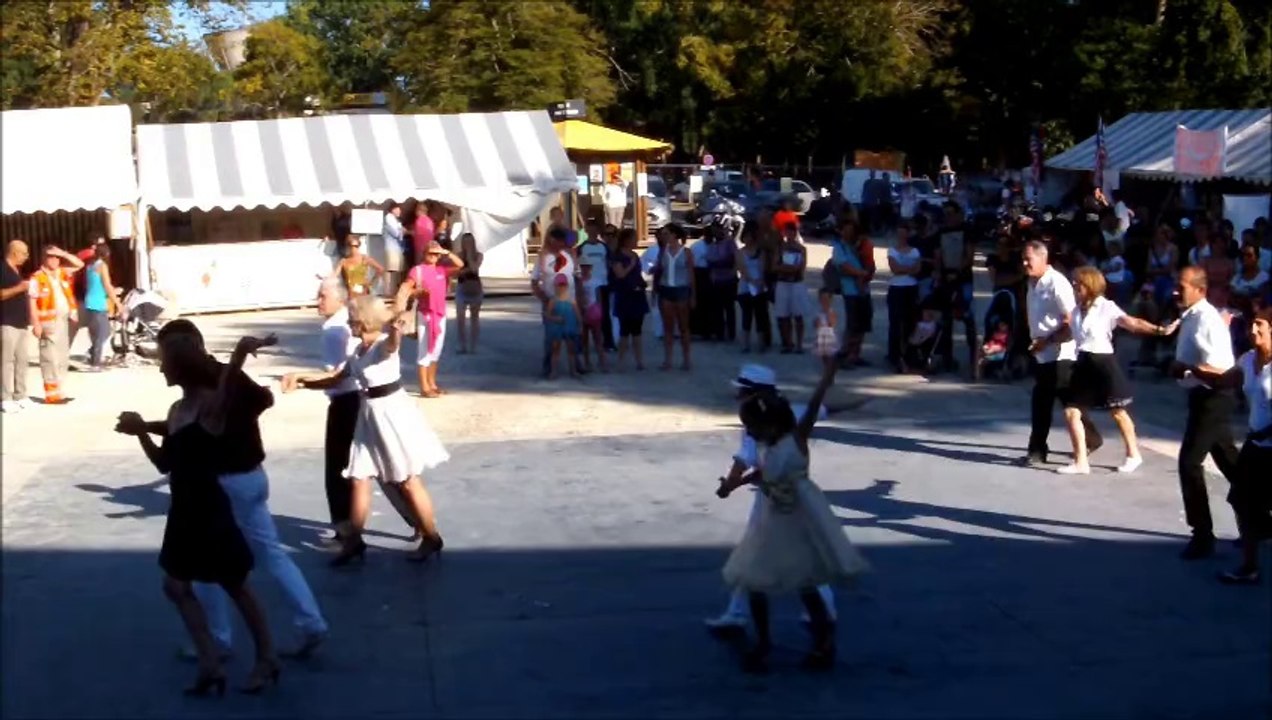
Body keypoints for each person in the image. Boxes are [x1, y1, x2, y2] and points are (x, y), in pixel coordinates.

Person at [133, 321, 330, 661]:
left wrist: (146, 429)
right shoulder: (225, 377)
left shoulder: (205, 390)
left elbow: (185, 434)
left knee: (209, 567)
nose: (163, 363)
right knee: (270, 554)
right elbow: (262, 399)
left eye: (166, 354)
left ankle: (219, 639)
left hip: (222, 483)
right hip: (251, 475)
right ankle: (310, 622)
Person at [115, 329, 280, 695]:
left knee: (234, 584)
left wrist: (239, 354)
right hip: (183, 510)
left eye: (165, 363)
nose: (161, 369)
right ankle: (210, 663)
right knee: (175, 586)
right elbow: (164, 463)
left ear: (181, 367)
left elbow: (229, 381)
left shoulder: (209, 408)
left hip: (210, 508)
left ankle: (266, 657)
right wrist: (141, 431)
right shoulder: (177, 411)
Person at [716, 359, 868, 673]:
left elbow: (814, 406)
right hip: (771, 518)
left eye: (753, 428)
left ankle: (824, 643)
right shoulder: (764, 441)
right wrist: (733, 485)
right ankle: (764, 642)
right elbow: (761, 472)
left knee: (807, 584)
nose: (749, 433)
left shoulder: (796, 439)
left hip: (799, 518)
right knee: (755, 580)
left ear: (771, 424)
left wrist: (827, 375)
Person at [283, 296, 450, 564]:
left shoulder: (383, 346)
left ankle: (432, 537)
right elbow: (335, 378)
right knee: (359, 478)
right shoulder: (357, 352)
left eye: (352, 318)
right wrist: (302, 381)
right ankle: (354, 542)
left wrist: (396, 328)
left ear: (363, 321)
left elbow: (393, 343)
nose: (348, 323)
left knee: (407, 481)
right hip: (369, 417)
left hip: (392, 416)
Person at [704, 364, 838, 639]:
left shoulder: (757, 421)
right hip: (785, 501)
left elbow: (747, 460)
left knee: (777, 562)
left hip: (779, 506)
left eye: (742, 391)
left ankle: (752, 621)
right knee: (789, 561)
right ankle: (741, 613)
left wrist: (729, 485)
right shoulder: (783, 416)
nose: (737, 396)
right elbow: (820, 408)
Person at [1054, 266, 1177, 475]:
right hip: (1083, 361)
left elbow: (1132, 323)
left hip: (1103, 361)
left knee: (1118, 411)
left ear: (1090, 285)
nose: (1075, 286)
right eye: (1074, 283)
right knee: (1072, 411)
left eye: (1079, 283)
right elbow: (1068, 334)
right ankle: (1081, 461)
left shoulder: (1106, 307)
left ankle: (1133, 455)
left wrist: (1159, 330)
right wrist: (1044, 341)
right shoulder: (1075, 311)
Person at [1187, 307, 1272, 584]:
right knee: (1243, 502)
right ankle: (1250, 566)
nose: (1253, 330)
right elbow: (1223, 380)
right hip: (1256, 444)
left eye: (1260, 325)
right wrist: (1193, 370)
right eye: (1251, 325)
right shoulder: (1248, 360)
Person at [1169, 266, 1240, 560]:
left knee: (1189, 463)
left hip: (1213, 397)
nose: (1176, 291)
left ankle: (1202, 535)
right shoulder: (1192, 316)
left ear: (1200, 290)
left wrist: (1187, 369)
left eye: (1182, 286)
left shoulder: (1206, 319)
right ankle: (1261, 520)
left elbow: (1221, 370)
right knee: (1230, 462)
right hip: (1202, 396)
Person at [1021, 241, 1104, 466]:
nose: (1025, 263)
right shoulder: (1031, 283)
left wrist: (1047, 341)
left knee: (1051, 401)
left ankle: (1038, 449)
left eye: (1029, 259)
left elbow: (1070, 321)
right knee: (1059, 400)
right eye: (1023, 259)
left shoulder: (1057, 283)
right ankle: (1090, 438)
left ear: (1043, 258)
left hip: (1061, 354)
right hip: (1042, 352)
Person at [396, 241, 465, 398]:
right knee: (424, 350)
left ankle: (432, 383)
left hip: (440, 314)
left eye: (436, 254)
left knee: (436, 350)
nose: (434, 256)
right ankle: (424, 386)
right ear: (424, 253)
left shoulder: (441, 270)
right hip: (425, 314)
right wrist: (418, 292)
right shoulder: (417, 270)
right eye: (431, 253)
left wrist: (447, 253)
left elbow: (460, 265)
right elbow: (406, 288)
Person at [27, 245, 83, 404]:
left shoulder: (62, 273)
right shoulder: (37, 277)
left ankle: (60, 391)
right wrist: (36, 323)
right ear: (43, 258)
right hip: (47, 323)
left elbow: (80, 264)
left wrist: (62, 253)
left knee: (62, 357)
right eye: (51, 257)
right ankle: (52, 395)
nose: (55, 260)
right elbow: (32, 301)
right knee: (49, 358)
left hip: (63, 320)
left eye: (57, 257)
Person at [831, 218, 872, 366]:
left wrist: (866, 275)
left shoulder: (859, 245)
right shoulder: (839, 247)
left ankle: (855, 355)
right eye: (846, 230)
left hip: (864, 289)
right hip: (850, 290)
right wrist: (861, 274)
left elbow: (869, 263)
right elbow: (844, 267)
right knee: (852, 324)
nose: (849, 233)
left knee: (863, 324)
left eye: (851, 230)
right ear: (841, 231)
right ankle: (844, 354)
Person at [608, 228, 649, 371]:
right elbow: (620, 275)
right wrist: (631, 265)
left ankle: (639, 360)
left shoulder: (635, 255)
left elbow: (638, 274)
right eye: (633, 238)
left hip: (637, 294)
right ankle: (621, 361)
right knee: (624, 330)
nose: (635, 241)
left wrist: (642, 283)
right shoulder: (617, 256)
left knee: (637, 330)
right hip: (624, 295)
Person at [656, 224, 695, 371]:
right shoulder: (662, 252)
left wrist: (693, 295)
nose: (664, 236)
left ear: (674, 235)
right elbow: (659, 272)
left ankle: (686, 359)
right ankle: (668, 360)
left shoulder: (686, 252)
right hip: (666, 289)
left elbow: (691, 275)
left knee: (684, 327)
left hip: (681, 290)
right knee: (668, 327)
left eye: (666, 234)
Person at [886, 220, 921, 372]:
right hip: (896, 288)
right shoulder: (892, 251)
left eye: (904, 232)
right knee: (895, 323)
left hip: (911, 288)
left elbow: (917, 269)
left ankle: (909, 354)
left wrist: (903, 269)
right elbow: (894, 268)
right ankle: (894, 355)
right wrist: (908, 269)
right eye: (899, 232)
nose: (901, 235)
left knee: (910, 323)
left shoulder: (915, 251)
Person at [1, 240, 32, 412]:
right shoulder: (3, 269)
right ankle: (5, 397)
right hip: (7, 322)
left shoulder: (17, 271)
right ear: (14, 253)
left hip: (21, 322)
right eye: (24, 253)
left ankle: (21, 395)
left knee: (22, 360)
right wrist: (19, 288)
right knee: (6, 361)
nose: (27, 257)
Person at [81, 241, 118, 371]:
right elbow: (107, 285)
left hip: (91, 301)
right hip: (97, 303)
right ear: (106, 253)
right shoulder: (102, 266)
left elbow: (95, 284)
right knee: (102, 333)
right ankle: (95, 363)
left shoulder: (90, 266)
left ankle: (92, 354)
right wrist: (117, 303)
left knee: (102, 331)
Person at [773, 222, 809, 354]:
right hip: (783, 283)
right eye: (787, 231)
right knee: (784, 315)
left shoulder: (801, 249)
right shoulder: (780, 248)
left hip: (796, 283)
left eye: (791, 231)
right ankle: (788, 343)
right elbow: (774, 266)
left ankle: (799, 344)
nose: (789, 234)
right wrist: (789, 268)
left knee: (798, 315)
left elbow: (801, 268)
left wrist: (787, 268)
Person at [735, 226, 772, 353]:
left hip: (759, 286)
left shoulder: (761, 252)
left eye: (750, 237)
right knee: (746, 316)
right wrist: (751, 280)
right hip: (745, 287)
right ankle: (745, 343)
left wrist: (760, 282)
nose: (748, 239)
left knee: (760, 315)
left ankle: (761, 343)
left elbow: (763, 267)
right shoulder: (740, 252)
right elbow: (741, 269)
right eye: (746, 237)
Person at [546, 274, 583, 379]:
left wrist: (580, 325)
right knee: (556, 350)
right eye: (559, 285)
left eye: (563, 285)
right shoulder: (553, 300)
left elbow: (577, 314)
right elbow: (547, 315)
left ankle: (573, 370)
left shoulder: (571, 300)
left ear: (567, 286)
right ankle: (554, 371)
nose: (561, 288)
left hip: (569, 327)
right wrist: (554, 318)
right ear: (555, 286)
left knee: (571, 349)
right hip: (557, 328)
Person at [453, 232, 484, 354]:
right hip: (462, 287)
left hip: (475, 288)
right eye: (465, 242)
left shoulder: (479, 255)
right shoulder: (458, 256)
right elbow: (456, 273)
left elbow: (475, 269)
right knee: (460, 318)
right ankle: (462, 345)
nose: (467, 244)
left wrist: (470, 256)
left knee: (474, 318)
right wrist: (467, 269)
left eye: (469, 242)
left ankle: (473, 346)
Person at [382, 204, 406, 295]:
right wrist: (401, 229)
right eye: (397, 210)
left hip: (397, 248)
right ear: (392, 209)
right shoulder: (388, 218)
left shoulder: (395, 220)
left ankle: (395, 290)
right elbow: (396, 233)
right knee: (389, 269)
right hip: (391, 247)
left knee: (397, 269)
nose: (399, 212)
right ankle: (387, 291)